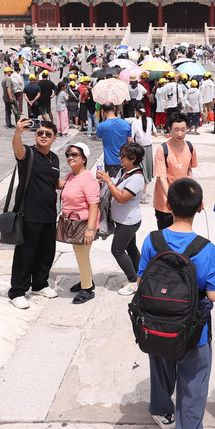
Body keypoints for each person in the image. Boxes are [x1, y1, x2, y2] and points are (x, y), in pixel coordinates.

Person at [138, 178, 215, 429]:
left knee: (161, 368)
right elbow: (212, 295)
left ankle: (163, 413)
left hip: (156, 325)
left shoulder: (153, 241)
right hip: (193, 332)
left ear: (168, 205)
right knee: (193, 385)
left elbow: (141, 284)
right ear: (200, 207)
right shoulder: (206, 248)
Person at [8, 119, 61, 309]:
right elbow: (17, 150)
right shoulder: (28, 153)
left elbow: (53, 182)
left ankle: (39, 284)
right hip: (29, 214)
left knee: (46, 253)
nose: (44, 136)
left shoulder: (54, 158)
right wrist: (17, 133)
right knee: (25, 254)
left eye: (48, 134)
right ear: (35, 135)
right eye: (40, 133)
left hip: (49, 214)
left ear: (54, 138)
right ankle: (17, 291)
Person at [95, 142, 145, 296]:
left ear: (133, 158)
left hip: (128, 222)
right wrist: (106, 179)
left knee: (117, 250)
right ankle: (141, 277)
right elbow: (116, 185)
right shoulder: (124, 171)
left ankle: (132, 281)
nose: (119, 158)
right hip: (121, 220)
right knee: (131, 248)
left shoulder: (137, 178)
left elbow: (122, 197)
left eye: (123, 156)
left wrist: (108, 181)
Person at [58, 143, 100, 305]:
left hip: (84, 224)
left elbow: (94, 205)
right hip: (72, 224)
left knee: (82, 255)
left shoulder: (88, 178)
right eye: (68, 154)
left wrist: (90, 229)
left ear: (84, 158)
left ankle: (87, 289)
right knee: (80, 254)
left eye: (74, 154)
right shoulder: (70, 176)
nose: (70, 157)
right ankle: (86, 280)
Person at [153, 114, 198, 230]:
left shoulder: (190, 147)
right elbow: (162, 177)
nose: (180, 133)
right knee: (165, 236)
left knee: (182, 234)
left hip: (183, 202)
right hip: (165, 203)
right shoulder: (162, 149)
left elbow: (189, 170)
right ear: (169, 129)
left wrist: (193, 194)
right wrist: (172, 200)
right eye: (176, 130)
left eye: (183, 130)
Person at [96, 104, 132, 177]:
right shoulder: (125, 123)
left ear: (102, 111)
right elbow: (130, 142)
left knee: (112, 182)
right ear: (114, 109)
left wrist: (103, 120)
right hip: (125, 159)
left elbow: (98, 136)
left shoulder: (101, 126)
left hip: (110, 161)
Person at [131, 107, 156, 203]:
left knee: (141, 170)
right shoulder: (150, 120)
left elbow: (132, 137)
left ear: (136, 111)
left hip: (139, 148)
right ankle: (143, 193)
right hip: (148, 147)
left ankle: (142, 194)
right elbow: (155, 134)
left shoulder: (135, 123)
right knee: (147, 169)